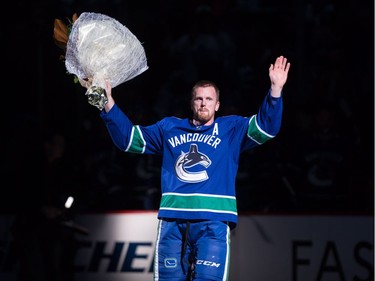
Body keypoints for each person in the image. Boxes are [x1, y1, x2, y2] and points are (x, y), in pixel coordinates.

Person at [97, 55, 290, 280]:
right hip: (172, 222)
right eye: (199, 99)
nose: (203, 103)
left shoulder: (232, 128)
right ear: (192, 103)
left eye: (209, 99)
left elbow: (267, 128)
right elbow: (128, 139)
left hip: (214, 221)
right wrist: (107, 103)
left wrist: (275, 90)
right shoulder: (169, 127)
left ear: (217, 104)